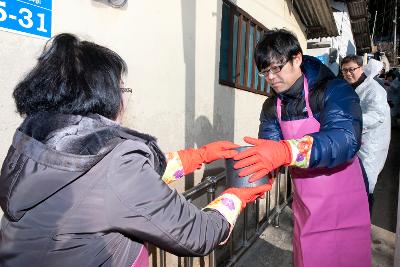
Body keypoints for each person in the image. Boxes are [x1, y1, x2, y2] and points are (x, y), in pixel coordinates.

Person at [0, 33, 272, 267]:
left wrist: (198, 156)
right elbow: (199, 234)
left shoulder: (35, 143)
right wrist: (236, 196)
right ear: (102, 96)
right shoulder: (116, 163)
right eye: (121, 89)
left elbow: (114, 186)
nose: (124, 99)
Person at [233, 29, 371, 267]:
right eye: (265, 72)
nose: (271, 77)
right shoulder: (272, 107)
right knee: (310, 256)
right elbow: (270, 148)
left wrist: (287, 151)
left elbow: (345, 138)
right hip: (307, 199)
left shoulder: (334, 90)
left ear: (297, 58)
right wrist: (252, 177)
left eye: (276, 68)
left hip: (343, 195)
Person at [341, 55, 391, 213]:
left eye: (351, 69)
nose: (348, 73)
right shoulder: (355, 86)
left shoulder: (374, 90)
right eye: (344, 71)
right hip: (359, 140)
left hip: (371, 145)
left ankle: (364, 224)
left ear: (361, 68)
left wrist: (348, 121)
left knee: (366, 184)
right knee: (355, 184)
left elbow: (377, 116)